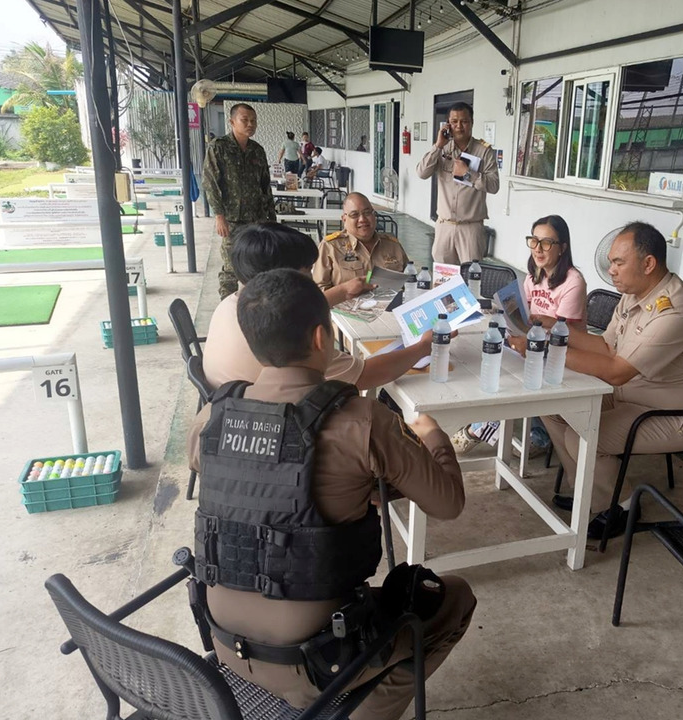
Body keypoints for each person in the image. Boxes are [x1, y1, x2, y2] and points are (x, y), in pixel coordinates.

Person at [188, 268, 475, 718]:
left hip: (224, 647)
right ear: (322, 337)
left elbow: (248, 480)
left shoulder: (212, 417)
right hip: (321, 657)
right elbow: (448, 504)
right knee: (453, 598)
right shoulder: (363, 420)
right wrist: (433, 436)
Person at [508, 221, 683, 540]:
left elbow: (617, 370)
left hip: (674, 416)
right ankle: (589, 492)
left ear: (648, 264)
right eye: (611, 262)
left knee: (582, 434)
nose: (611, 270)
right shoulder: (635, 294)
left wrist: (544, 350)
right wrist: (554, 327)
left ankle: (622, 506)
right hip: (629, 395)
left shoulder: (674, 311)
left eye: (618, 262)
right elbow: (606, 346)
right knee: (554, 407)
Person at [203, 222, 445, 393]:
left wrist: (343, 291)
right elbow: (366, 375)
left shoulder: (233, 303)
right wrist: (423, 346)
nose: (311, 278)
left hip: (231, 412)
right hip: (285, 426)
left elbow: (288, 305)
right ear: (281, 277)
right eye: (307, 271)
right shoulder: (291, 337)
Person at [452, 215, 587, 456]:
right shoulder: (535, 276)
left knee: (511, 373)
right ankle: (492, 424)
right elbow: (523, 314)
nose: (538, 249)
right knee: (493, 358)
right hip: (534, 345)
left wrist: (527, 339)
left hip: (561, 355)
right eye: (534, 241)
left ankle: (492, 429)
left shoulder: (573, 282)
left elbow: (565, 333)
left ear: (562, 248)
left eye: (547, 243)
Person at [202, 103, 275, 299]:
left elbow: (265, 185)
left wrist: (271, 218)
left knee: (257, 264)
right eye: (245, 120)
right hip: (232, 220)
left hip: (257, 219)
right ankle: (226, 308)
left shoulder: (257, 150)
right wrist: (219, 216)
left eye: (253, 121)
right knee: (231, 267)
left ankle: (254, 306)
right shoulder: (219, 148)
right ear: (232, 122)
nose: (250, 124)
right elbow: (210, 183)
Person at [416, 102, 499, 264]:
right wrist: (438, 146)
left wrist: (469, 174)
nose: (459, 126)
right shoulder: (442, 149)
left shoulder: (484, 151)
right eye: (454, 122)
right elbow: (422, 172)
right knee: (443, 276)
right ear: (448, 124)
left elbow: (494, 185)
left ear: (472, 123)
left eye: (464, 121)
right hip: (444, 226)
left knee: (471, 275)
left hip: (470, 228)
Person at [313, 193, 409, 291]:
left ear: (374, 215)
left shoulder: (393, 246)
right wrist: (344, 292)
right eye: (354, 215)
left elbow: (410, 282)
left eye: (367, 213)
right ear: (344, 219)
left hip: (391, 300)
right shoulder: (330, 247)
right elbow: (318, 291)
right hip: (346, 301)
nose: (362, 219)